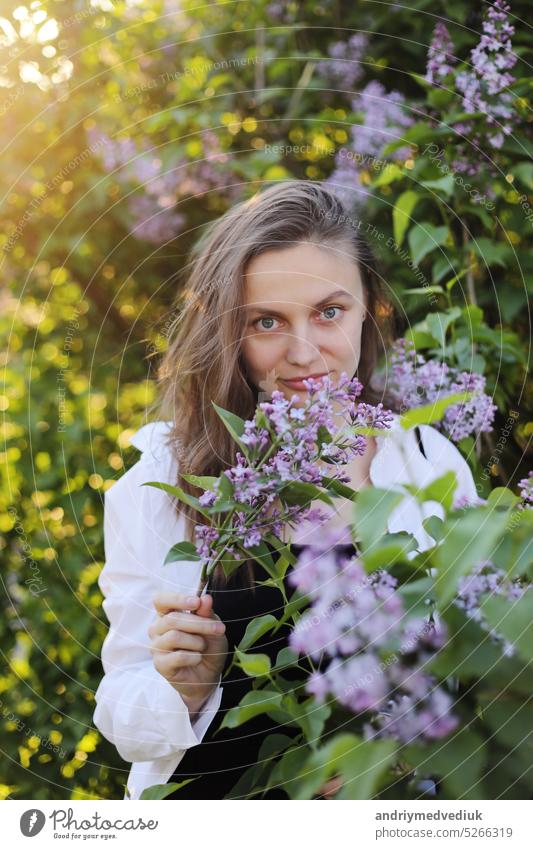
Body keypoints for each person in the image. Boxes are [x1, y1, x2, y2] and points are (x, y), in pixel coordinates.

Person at [93, 181, 480, 800]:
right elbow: (122, 716)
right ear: (228, 333)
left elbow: (482, 666)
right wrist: (180, 692)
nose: (304, 353)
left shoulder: (425, 462)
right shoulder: (162, 480)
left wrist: (394, 755)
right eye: (267, 321)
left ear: (368, 309)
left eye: (329, 312)